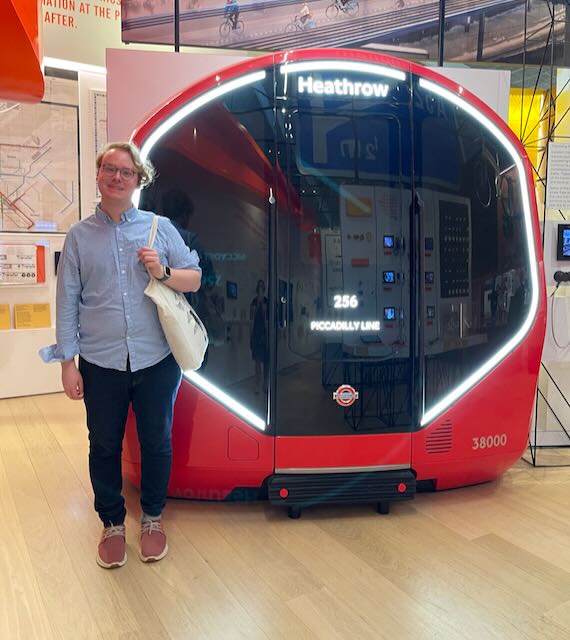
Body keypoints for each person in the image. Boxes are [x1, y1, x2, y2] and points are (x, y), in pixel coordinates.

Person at [40, 142, 201, 569]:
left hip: (156, 360)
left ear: (138, 180)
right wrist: (67, 363)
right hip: (100, 362)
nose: (117, 177)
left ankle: (152, 518)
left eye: (126, 171)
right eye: (109, 169)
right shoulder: (79, 237)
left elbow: (194, 279)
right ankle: (112, 523)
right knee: (104, 445)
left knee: (156, 441)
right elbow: (67, 301)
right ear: (98, 175)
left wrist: (162, 271)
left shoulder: (159, 228)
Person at [250, 279, 269, 394]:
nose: (261, 288)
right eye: (259, 286)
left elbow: (267, 317)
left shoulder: (267, 301)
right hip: (257, 333)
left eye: (262, 286)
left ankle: (265, 384)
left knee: (266, 361)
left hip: (265, 333)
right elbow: (252, 317)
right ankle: (257, 384)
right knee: (257, 361)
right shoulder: (254, 301)